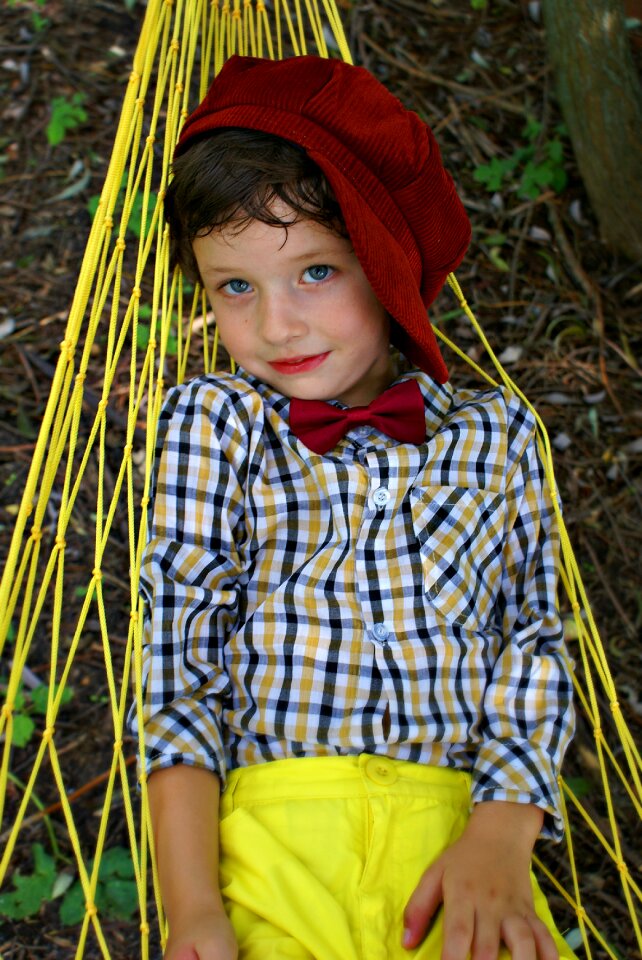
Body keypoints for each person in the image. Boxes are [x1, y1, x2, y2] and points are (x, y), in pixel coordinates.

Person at [130, 54, 576, 960]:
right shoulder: (215, 423)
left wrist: (500, 833)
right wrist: (192, 913)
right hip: (271, 844)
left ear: (387, 262)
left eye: (318, 273)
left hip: (461, 850)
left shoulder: (496, 433)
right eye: (236, 287)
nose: (277, 326)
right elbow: (180, 668)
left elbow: (531, 637)